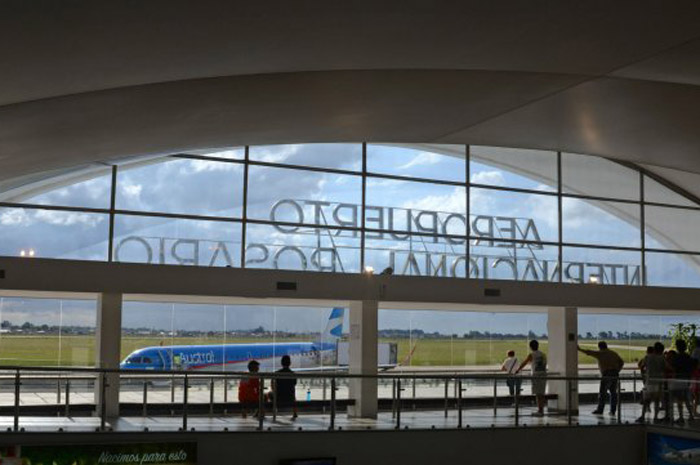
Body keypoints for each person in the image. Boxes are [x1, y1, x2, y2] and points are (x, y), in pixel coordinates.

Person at [578, 341, 624, 416]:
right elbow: (621, 362)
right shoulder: (613, 353)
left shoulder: (600, 353)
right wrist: (618, 370)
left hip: (606, 374)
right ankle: (613, 410)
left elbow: (589, 352)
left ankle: (600, 409)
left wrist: (579, 349)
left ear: (599, 347)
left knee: (603, 392)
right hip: (615, 373)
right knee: (613, 392)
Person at [515, 340, 547, 417]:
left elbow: (524, 363)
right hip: (543, 374)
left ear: (530, 347)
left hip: (536, 375)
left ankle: (540, 411)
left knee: (538, 394)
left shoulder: (532, 355)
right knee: (541, 393)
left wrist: (518, 369)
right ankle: (541, 410)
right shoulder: (543, 354)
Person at [637, 342, 666, 423]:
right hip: (659, 381)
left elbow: (641, 366)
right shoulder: (662, 358)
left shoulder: (648, 357)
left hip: (649, 381)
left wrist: (644, 374)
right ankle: (655, 417)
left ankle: (642, 416)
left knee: (646, 400)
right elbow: (666, 367)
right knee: (657, 401)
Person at [670, 339, 696, 423]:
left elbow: (672, 368)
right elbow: (693, 366)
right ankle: (691, 415)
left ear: (677, 347)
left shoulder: (676, 358)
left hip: (678, 380)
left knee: (679, 400)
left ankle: (681, 417)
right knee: (686, 399)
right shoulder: (688, 357)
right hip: (686, 380)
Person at [269, 355, 298, 420]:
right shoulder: (293, 374)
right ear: (290, 363)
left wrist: (274, 390)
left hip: (279, 397)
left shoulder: (277, 373)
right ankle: (295, 413)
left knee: (268, 394)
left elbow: (272, 384)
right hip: (290, 397)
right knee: (294, 397)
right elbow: (294, 384)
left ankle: (274, 411)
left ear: (281, 363)